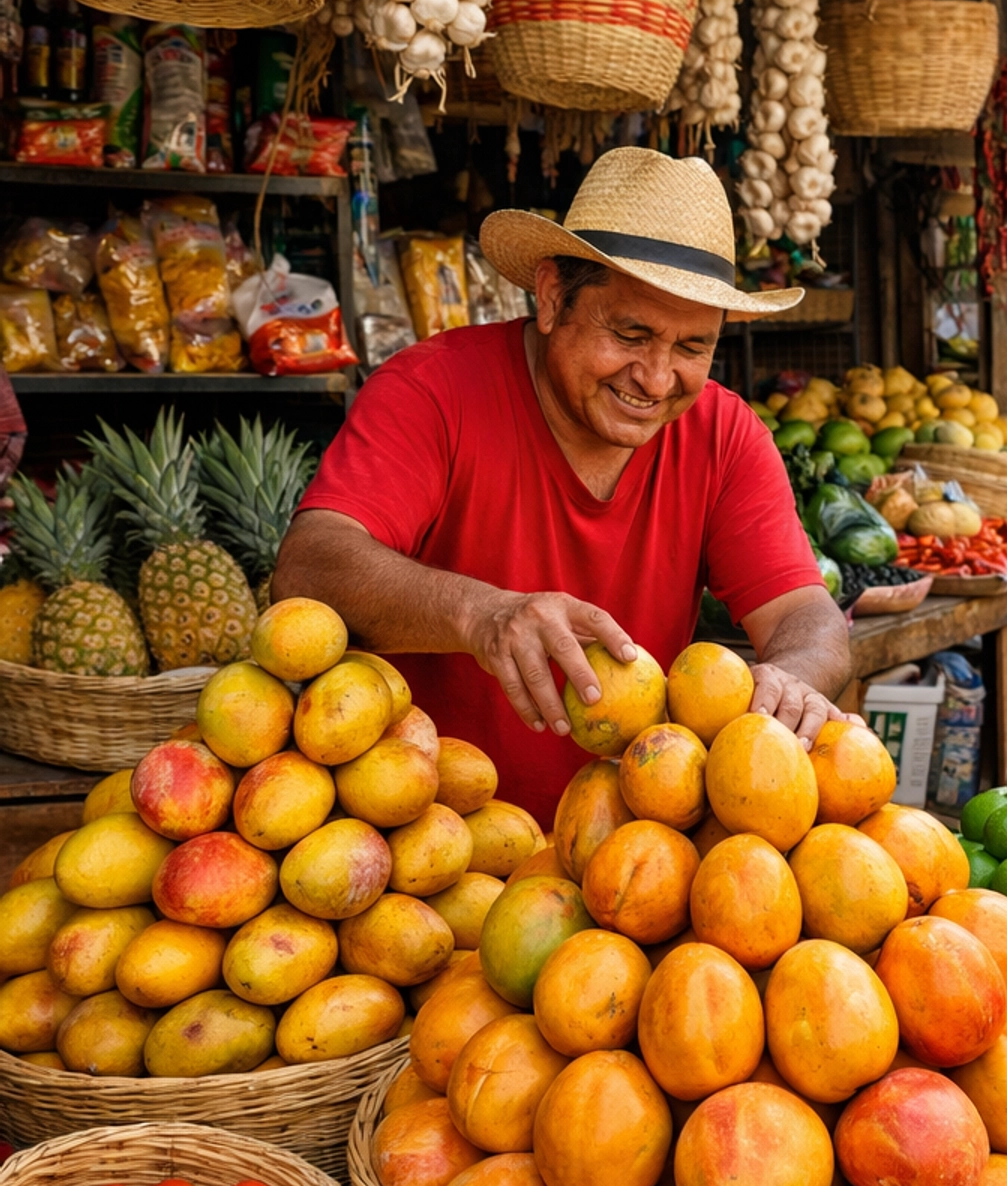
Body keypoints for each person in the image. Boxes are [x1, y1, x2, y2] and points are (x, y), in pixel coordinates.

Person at [272, 149, 858, 828]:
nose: (658, 378)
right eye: (631, 333)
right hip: (425, 855)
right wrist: (480, 614)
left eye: (693, 348)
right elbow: (308, 566)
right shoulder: (430, 392)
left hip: (635, 862)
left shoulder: (725, 434)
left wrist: (792, 677)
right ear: (551, 297)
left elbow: (808, 620)